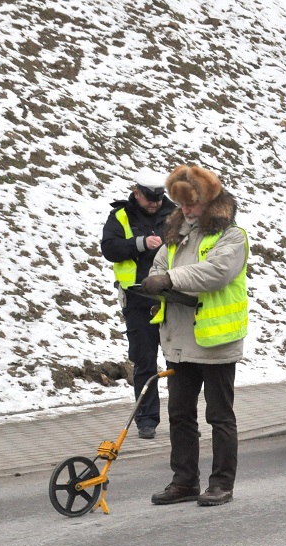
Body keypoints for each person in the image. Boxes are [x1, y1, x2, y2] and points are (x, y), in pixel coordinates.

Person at [141, 164, 248, 507]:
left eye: (191, 204)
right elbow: (159, 265)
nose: (185, 210)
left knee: (219, 416)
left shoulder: (232, 236)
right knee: (180, 415)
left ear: (208, 199)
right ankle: (184, 480)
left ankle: (221, 483)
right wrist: (157, 279)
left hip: (215, 341)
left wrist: (171, 280)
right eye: (181, 204)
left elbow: (215, 272)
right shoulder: (176, 234)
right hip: (178, 340)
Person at [100, 169, 176, 440]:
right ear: (136, 193)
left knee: (177, 361)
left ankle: (181, 420)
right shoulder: (121, 216)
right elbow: (109, 249)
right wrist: (140, 243)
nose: (154, 202)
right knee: (144, 362)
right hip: (137, 298)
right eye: (149, 197)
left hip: (172, 297)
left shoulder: (175, 214)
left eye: (158, 197)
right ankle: (146, 420)